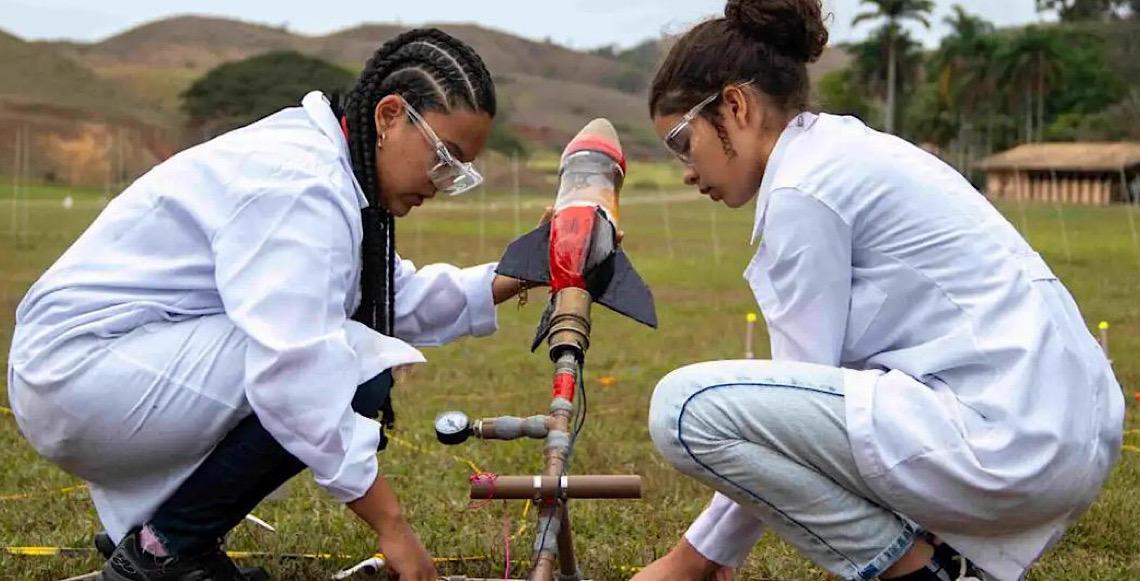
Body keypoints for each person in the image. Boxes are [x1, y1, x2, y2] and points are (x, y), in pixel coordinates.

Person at [7, 28, 537, 581]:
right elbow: (294, 374)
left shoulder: (331, 171)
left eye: (461, 171)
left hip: (114, 366)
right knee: (349, 367)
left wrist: (529, 270)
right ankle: (164, 551)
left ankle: (175, 539)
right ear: (388, 117)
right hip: (80, 376)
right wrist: (393, 528)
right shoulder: (300, 184)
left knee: (350, 354)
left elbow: (388, 300)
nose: (444, 182)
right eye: (444, 157)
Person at [633, 1, 1124, 580]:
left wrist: (693, 560)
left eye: (681, 143)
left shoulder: (804, 189)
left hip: (1010, 439)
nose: (687, 171)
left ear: (735, 105)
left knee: (686, 410)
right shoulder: (848, 150)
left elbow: (786, 407)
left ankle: (919, 572)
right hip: (1063, 433)